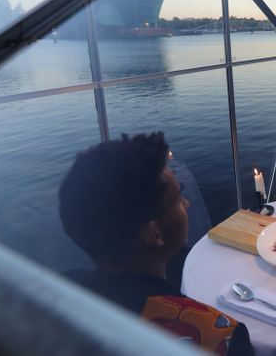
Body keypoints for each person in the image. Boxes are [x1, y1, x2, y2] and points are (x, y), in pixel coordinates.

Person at [59, 132, 254, 356]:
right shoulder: (216, 336)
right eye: (178, 198)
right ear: (155, 233)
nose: (187, 204)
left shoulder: (55, 304)